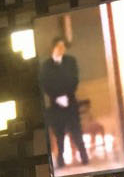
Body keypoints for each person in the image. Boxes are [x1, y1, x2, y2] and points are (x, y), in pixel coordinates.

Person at [38, 37, 89, 166]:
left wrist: (67, 96)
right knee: (59, 133)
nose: (62, 49)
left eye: (63, 46)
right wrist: (57, 98)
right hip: (55, 104)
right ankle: (60, 159)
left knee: (76, 130)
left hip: (70, 101)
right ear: (53, 48)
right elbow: (45, 84)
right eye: (59, 46)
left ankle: (84, 157)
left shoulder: (70, 61)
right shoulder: (46, 66)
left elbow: (74, 79)